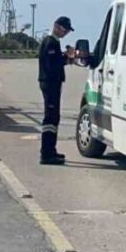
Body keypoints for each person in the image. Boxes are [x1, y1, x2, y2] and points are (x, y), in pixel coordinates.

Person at [37, 16, 77, 165]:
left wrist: (66, 58)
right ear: (56, 26)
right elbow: (52, 65)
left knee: (54, 118)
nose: (65, 33)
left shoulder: (54, 42)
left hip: (52, 83)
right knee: (50, 118)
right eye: (64, 29)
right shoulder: (50, 42)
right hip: (50, 83)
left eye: (67, 31)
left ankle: (51, 150)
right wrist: (66, 57)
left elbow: (55, 62)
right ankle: (46, 153)